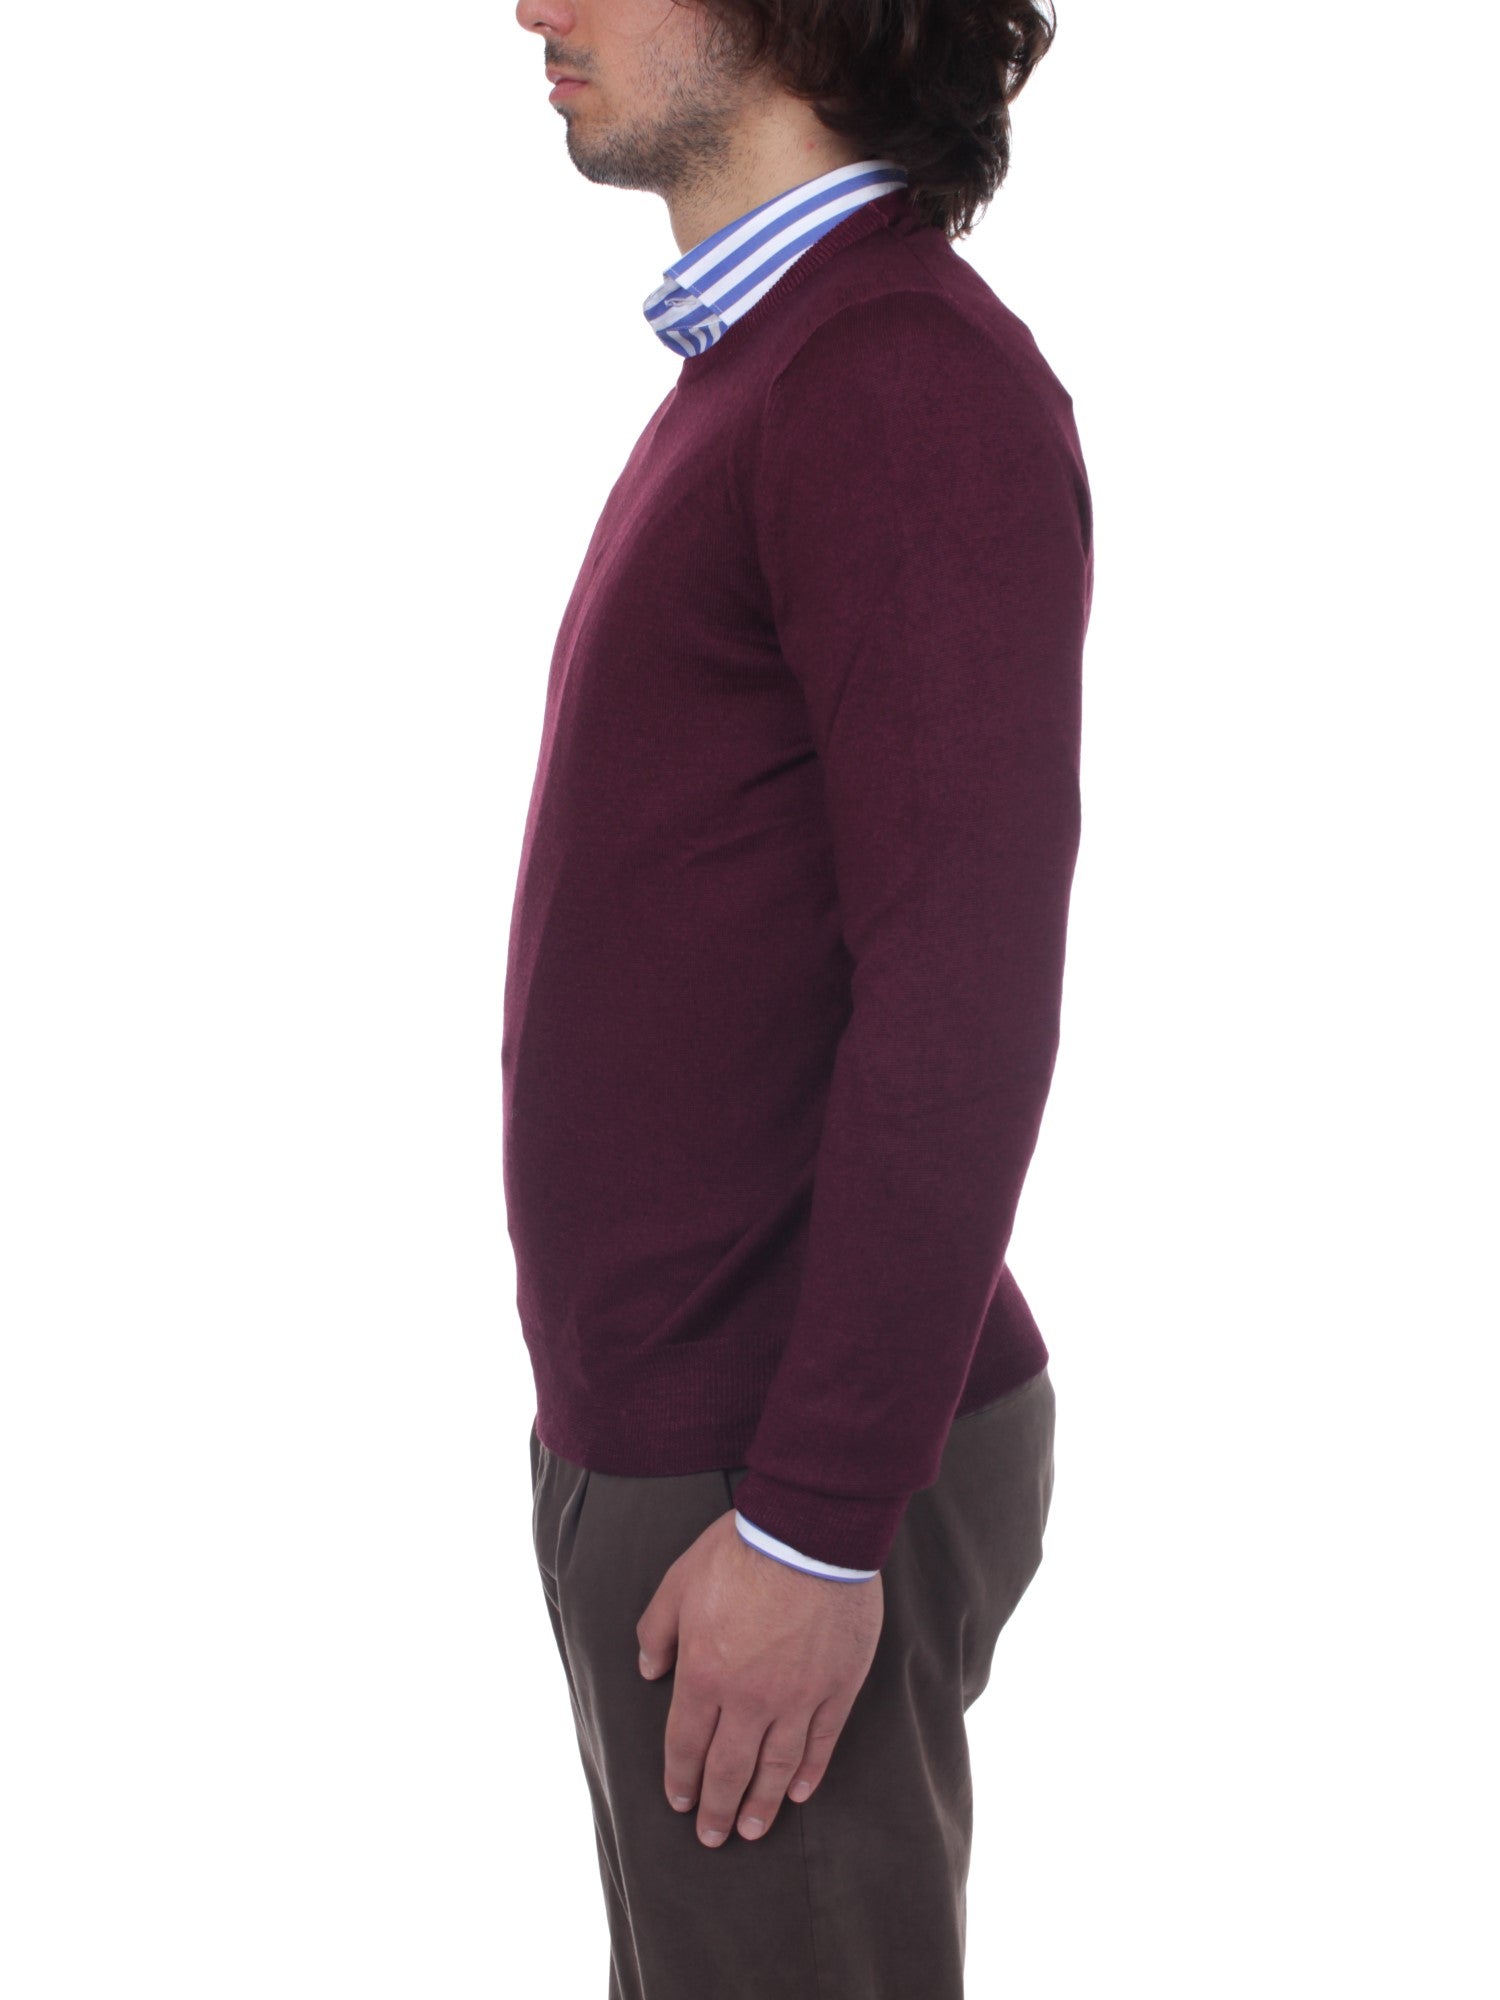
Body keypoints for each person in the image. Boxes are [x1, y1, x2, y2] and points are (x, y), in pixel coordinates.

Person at [504, 2, 1090, 1993]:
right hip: (698, 1443)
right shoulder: (777, 365)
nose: (534, 6)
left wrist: (818, 1520)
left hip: (777, 1471)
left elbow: (966, 989)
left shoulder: (895, 376)